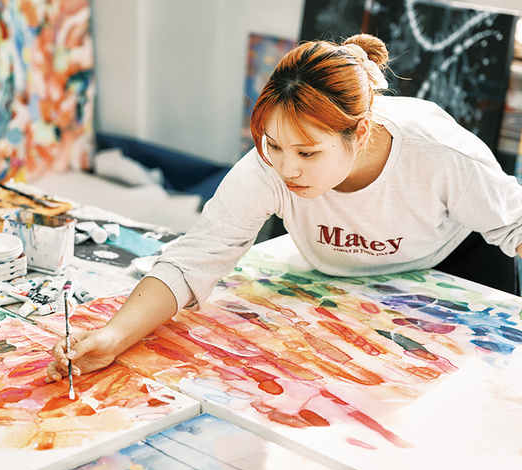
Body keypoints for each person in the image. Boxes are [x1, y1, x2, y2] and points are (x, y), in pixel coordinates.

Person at [46, 33, 522, 383]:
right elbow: (197, 257)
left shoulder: (438, 153)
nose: (286, 169)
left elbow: (516, 225)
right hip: (342, 282)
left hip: (454, 267)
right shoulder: (268, 166)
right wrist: (113, 335)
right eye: (273, 146)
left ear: (358, 135)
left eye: (308, 153)